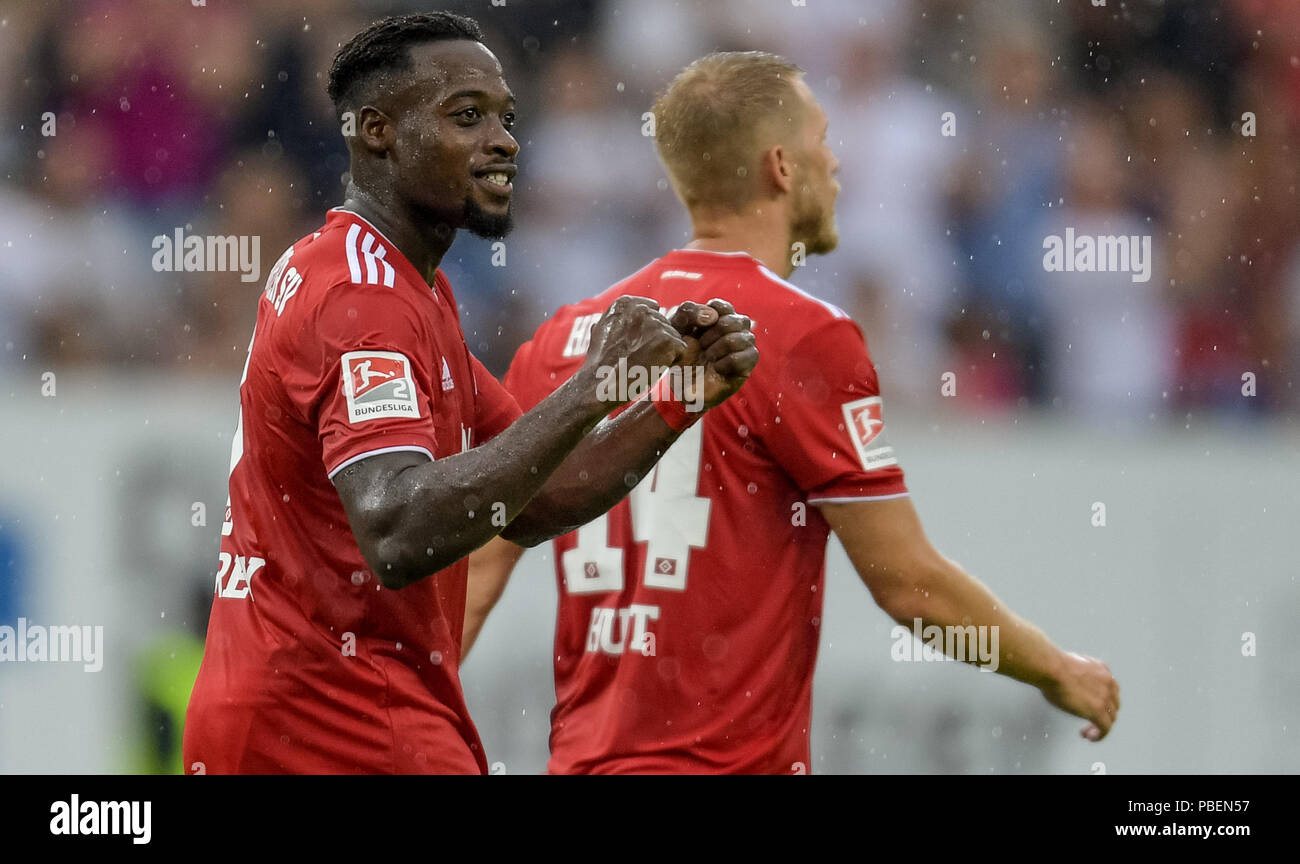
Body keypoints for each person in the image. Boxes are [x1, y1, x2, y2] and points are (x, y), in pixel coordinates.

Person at [464, 51, 1120, 774]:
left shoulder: (561, 339)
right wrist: (1058, 670)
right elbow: (907, 585)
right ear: (781, 166)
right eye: (823, 140)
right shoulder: (800, 333)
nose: (835, 165)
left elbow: (471, 577)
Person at [181, 13, 757, 775]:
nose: (505, 139)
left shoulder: (400, 286)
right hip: (334, 724)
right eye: (467, 115)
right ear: (378, 132)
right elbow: (395, 529)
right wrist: (590, 384)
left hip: (305, 712)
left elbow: (536, 496)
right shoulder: (365, 295)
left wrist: (677, 397)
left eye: (507, 118)